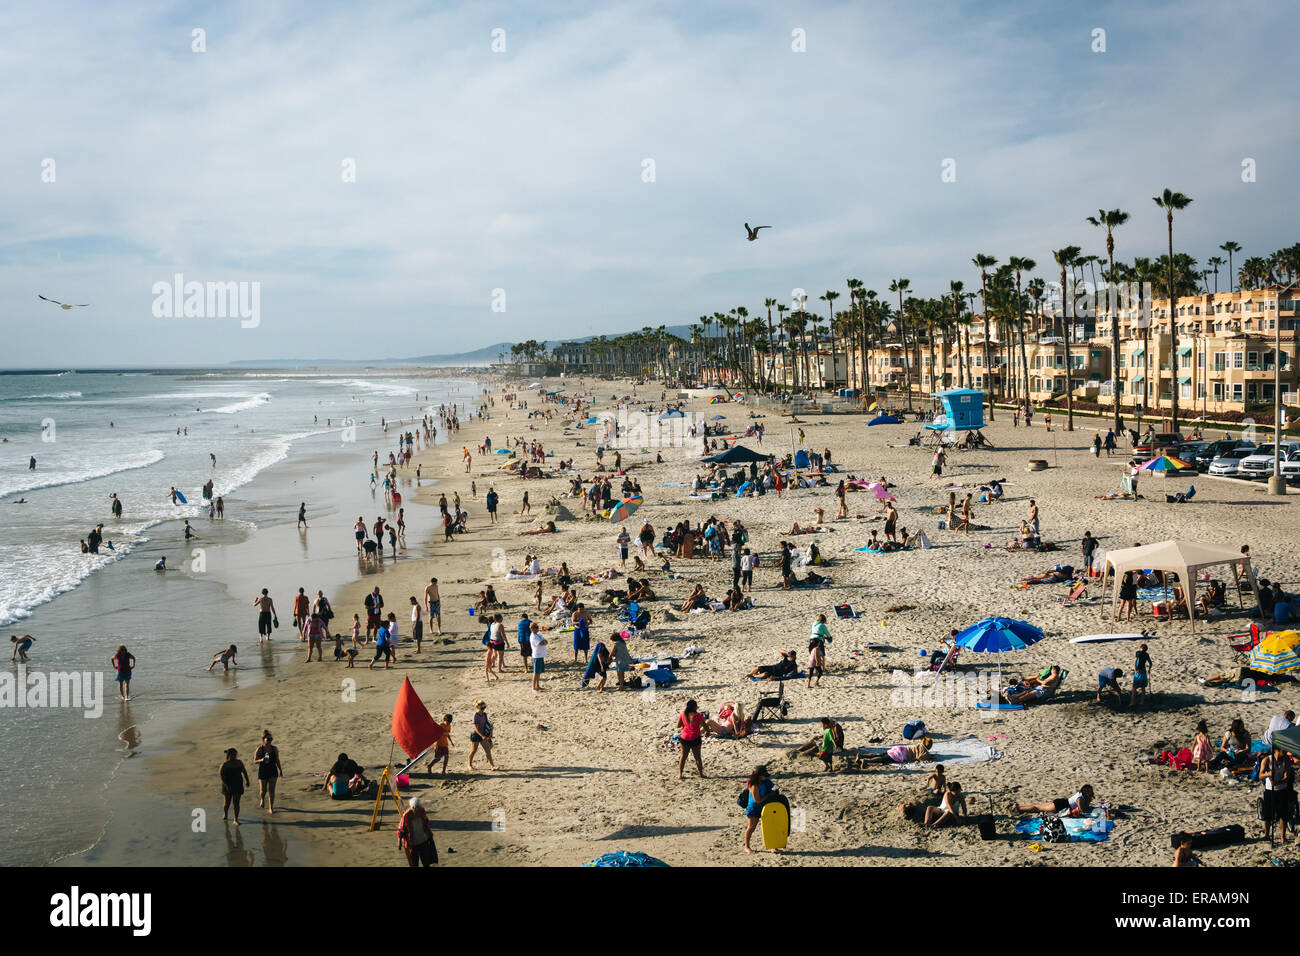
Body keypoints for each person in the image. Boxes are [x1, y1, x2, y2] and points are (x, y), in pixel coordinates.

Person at [1260, 743, 1296, 845]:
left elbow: (1286, 776)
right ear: (1277, 750)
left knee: (1283, 815)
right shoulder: (1267, 760)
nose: (1285, 753)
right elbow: (1260, 775)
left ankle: (1282, 836)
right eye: (1283, 751)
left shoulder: (1286, 761)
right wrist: (1268, 774)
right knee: (1268, 814)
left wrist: (1278, 782)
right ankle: (1267, 835)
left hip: (1281, 789)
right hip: (1269, 790)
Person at [742, 765, 776, 854]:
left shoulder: (763, 782)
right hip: (754, 808)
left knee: (770, 827)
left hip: (764, 807)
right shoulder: (754, 786)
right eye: (764, 775)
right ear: (760, 775)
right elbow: (757, 800)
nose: (765, 776)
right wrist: (768, 796)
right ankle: (747, 847)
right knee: (751, 827)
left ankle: (773, 847)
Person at [398, 796, 439, 866]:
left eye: (418, 807)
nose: (417, 810)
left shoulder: (422, 811)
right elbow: (401, 829)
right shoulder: (406, 815)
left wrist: (429, 836)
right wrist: (399, 842)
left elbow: (426, 823)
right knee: (414, 863)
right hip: (412, 843)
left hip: (423, 841)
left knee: (426, 862)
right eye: (415, 808)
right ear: (412, 808)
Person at [1014, 784, 1094, 816]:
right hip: (1060, 805)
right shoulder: (1080, 798)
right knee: (1038, 808)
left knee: (1038, 806)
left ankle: (1018, 806)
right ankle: (1018, 808)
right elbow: (1081, 809)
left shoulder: (1081, 796)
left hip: (1061, 802)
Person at [254, 730, 283, 814]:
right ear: (263, 739)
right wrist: (261, 760)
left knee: (272, 790)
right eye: (268, 739)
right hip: (263, 771)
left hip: (273, 770)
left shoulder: (274, 749)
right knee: (263, 790)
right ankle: (262, 799)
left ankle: (271, 807)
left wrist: (280, 770)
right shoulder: (260, 749)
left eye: (271, 739)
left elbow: (277, 760)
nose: (270, 740)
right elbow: (255, 761)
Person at [219, 748, 251, 825]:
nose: (234, 756)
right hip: (227, 785)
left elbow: (244, 772)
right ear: (228, 755)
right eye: (233, 755)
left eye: (235, 755)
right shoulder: (224, 765)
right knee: (227, 803)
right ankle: (225, 814)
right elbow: (221, 776)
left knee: (236, 803)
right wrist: (227, 786)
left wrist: (247, 781)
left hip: (238, 784)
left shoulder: (239, 763)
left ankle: (236, 819)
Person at [677, 699, 706, 779]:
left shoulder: (683, 714)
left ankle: (680, 774)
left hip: (685, 737)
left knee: (683, 757)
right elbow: (705, 726)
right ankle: (701, 774)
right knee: (697, 757)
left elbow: (677, 726)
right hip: (695, 737)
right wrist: (707, 731)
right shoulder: (698, 715)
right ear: (694, 707)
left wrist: (685, 725)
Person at [468, 700, 499, 770]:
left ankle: (492, 766)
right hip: (475, 735)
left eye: (484, 707)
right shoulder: (475, 715)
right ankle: (469, 765)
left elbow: (486, 724)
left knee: (488, 750)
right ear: (478, 707)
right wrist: (481, 735)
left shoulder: (484, 714)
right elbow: (475, 727)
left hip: (483, 735)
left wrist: (489, 735)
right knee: (474, 750)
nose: (483, 709)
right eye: (482, 708)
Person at [807, 613, 831, 688]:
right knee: (822, 655)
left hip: (811, 639)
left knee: (812, 654)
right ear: (823, 620)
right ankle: (823, 668)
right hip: (818, 639)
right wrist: (829, 637)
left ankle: (814, 670)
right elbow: (827, 634)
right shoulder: (822, 625)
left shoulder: (814, 623)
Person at [529, 624, 548, 692]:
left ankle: (537, 685)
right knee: (535, 672)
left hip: (540, 655)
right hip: (536, 656)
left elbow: (546, 641)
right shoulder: (533, 636)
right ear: (532, 629)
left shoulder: (538, 635)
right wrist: (544, 642)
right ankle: (533, 687)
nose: (537, 629)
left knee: (539, 672)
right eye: (536, 628)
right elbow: (541, 643)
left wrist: (544, 642)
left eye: (537, 627)